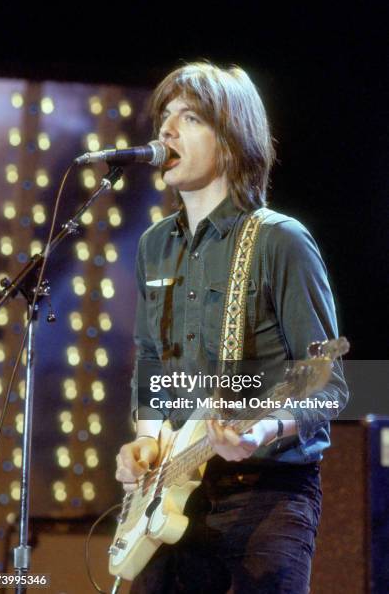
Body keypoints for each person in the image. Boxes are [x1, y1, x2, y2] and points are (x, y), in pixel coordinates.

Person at [115, 62, 348, 593]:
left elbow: (329, 384)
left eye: (189, 117)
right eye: (165, 117)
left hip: (266, 494)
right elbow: (151, 359)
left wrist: (262, 429)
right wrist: (147, 441)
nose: (166, 130)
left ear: (232, 138)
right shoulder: (155, 244)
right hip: (170, 494)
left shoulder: (279, 241)